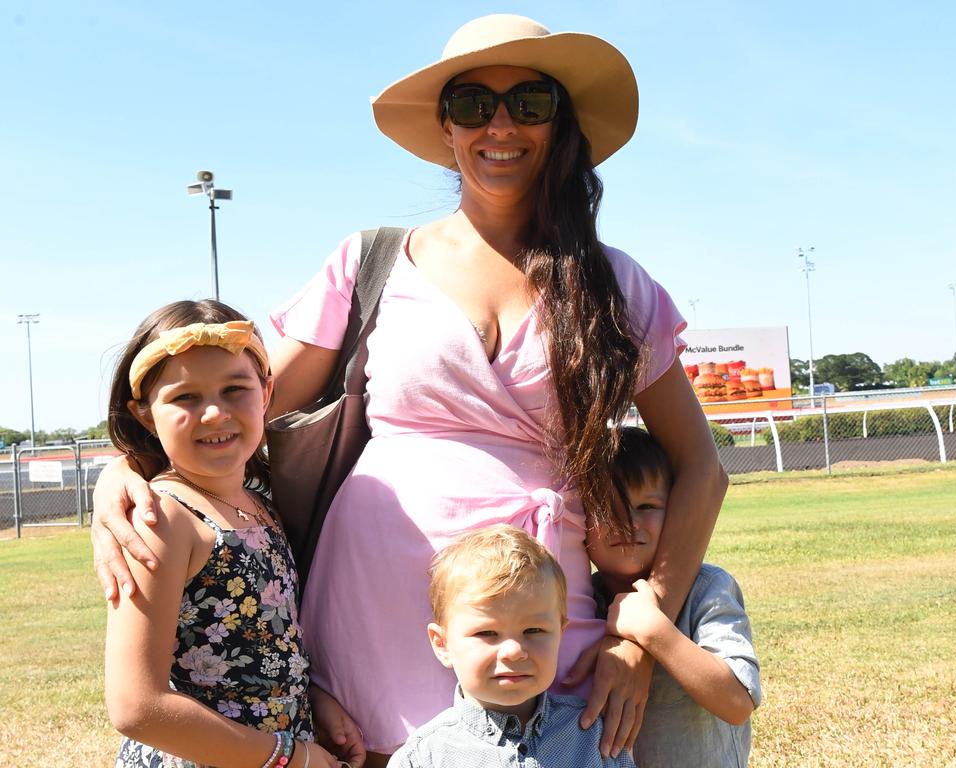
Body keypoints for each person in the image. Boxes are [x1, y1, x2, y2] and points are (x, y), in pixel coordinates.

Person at [92, 14, 729, 766]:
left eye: (529, 102)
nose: (500, 125)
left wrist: (637, 637)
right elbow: (240, 404)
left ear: (562, 124)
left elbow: (701, 467)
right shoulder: (371, 263)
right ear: (446, 127)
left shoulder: (615, 284)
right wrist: (125, 469)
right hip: (371, 605)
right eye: (472, 104)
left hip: (534, 619)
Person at [102, 300, 361, 768]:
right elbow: (136, 706)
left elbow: (261, 648)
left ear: (266, 394)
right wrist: (292, 758)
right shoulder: (161, 518)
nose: (215, 413)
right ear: (145, 415)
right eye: (185, 397)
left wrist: (313, 700)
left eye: (234, 389)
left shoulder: (263, 503)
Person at [389, 524, 636, 768]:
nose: (514, 651)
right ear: (442, 644)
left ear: (560, 634)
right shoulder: (422, 758)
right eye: (487, 633)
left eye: (534, 630)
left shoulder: (594, 737)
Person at [587, 426, 761, 768]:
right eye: (607, 508)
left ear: (678, 513)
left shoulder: (707, 588)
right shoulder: (581, 600)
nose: (627, 522)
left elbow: (737, 703)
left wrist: (655, 633)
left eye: (646, 505)